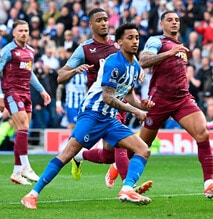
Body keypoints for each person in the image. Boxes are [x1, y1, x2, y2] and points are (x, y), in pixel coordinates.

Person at [21, 22, 155, 209]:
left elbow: (129, 94)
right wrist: (136, 111)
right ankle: (32, 194)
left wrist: (142, 105)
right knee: (67, 154)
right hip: (92, 114)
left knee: (143, 150)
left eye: (137, 38)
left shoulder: (136, 67)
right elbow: (107, 97)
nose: (135, 42)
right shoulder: (113, 62)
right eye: (130, 38)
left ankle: (126, 189)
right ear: (119, 41)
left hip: (109, 118)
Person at [134, 11, 213, 199]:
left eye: (177, 20)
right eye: (169, 20)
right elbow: (143, 61)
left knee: (203, 133)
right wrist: (168, 53)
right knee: (142, 145)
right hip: (159, 99)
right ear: (162, 24)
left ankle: (209, 184)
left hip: (182, 98)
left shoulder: (180, 45)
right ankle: (115, 169)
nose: (174, 22)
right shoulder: (157, 41)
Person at [56, 8, 151, 192]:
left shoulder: (119, 44)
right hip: (101, 103)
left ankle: (80, 156)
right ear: (91, 25)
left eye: (106, 19)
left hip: (120, 104)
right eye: (99, 20)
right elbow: (60, 75)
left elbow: (133, 66)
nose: (104, 23)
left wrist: (139, 71)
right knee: (121, 149)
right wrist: (73, 71)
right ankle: (129, 187)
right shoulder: (84, 49)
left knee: (110, 156)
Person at [0, 20, 51, 185]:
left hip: (26, 93)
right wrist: (0, 95)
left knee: (22, 130)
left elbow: (30, 73)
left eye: (26, 30)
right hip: (11, 92)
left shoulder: (30, 51)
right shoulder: (8, 51)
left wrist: (42, 91)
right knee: (22, 125)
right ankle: (26, 167)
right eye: (20, 30)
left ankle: (16, 172)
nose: (24, 33)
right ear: (14, 33)